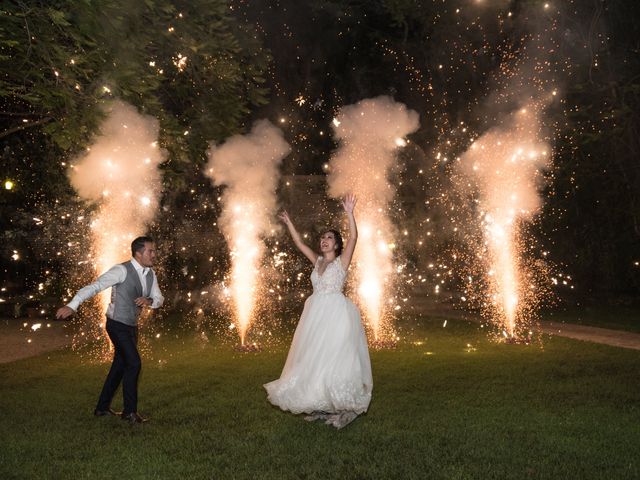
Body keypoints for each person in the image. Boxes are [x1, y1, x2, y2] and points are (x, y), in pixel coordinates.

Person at [264, 194, 372, 429]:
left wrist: (350, 213)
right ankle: (322, 404)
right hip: (315, 315)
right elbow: (301, 244)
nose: (324, 240)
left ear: (336, 244)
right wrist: (290, 223)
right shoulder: (317, 262)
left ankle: (343, 407)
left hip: (336, 314)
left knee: (335, 358)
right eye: (322, 237)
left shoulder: (342, 262)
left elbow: (354, 236)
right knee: (315, 358)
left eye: (329, 238)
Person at [56, 236, 164, 424]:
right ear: (138, 253)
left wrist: (150, 301)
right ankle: (129, 413)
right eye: (150, 251)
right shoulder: (121, 270)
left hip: (131, 326)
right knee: (134, 363)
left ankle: (102, 408)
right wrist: (72, 305)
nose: (154, 254)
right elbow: (96, 286)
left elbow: (159, 298)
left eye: (154, 251)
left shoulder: (150, 274)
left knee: (120, 366)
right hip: (116, 325)